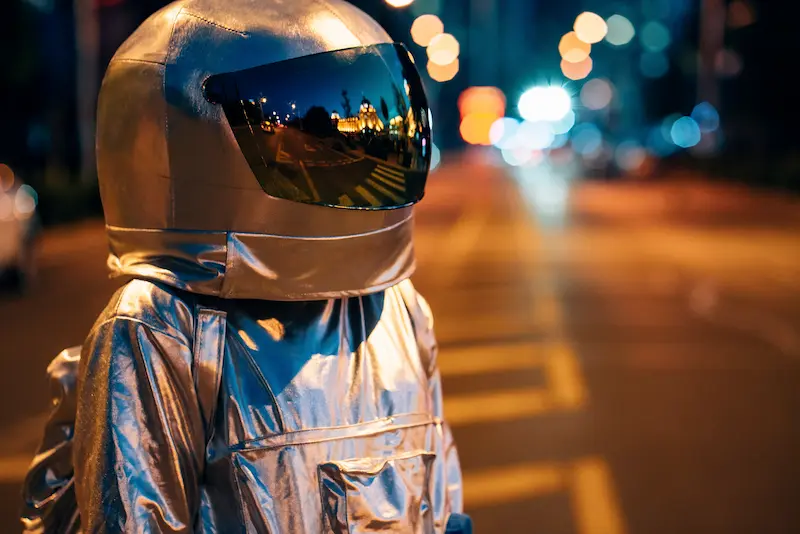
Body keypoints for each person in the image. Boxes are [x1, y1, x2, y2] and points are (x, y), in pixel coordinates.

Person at [20, 0, 465, 532]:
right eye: (291, 131)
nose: (334, 154)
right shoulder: (160, 326)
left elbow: (442, 501)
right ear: (192, 142)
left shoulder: (399, 306)